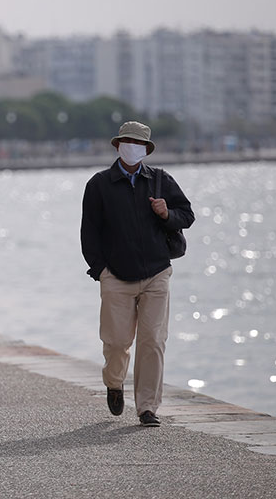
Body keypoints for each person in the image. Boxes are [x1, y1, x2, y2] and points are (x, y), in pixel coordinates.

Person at [80, 121, 194, 427]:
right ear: (118, 145)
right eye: (128, 142)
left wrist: (167, 213)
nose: (133, 147)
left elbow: (187, 215)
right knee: (117, 342)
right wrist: (101, 271)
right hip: (115, 276)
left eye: (139, 143)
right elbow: (89, 232)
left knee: (153, 340)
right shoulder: (99, 185)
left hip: (157, 273)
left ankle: (147, 407)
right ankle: (114, 382)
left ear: (146, 150)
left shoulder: (160, 180)